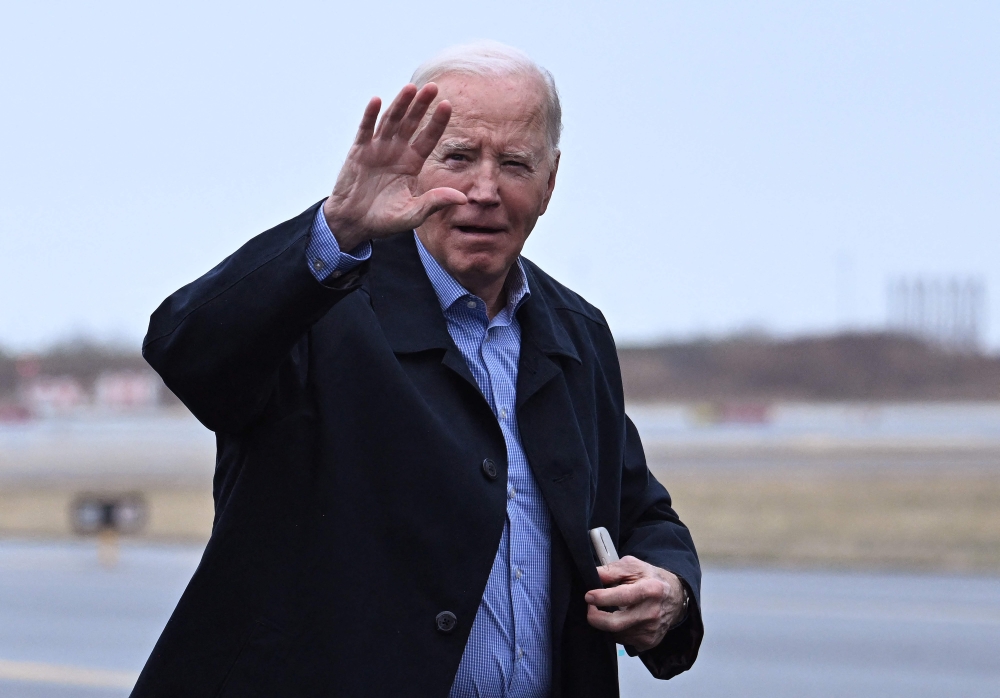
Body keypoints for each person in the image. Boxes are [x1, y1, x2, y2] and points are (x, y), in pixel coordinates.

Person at [133, 41, 702, 698]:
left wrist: (669, 587)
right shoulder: (320, 301)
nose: (484, 191)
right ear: (410, 164)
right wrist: (339, 226)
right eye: (457, 157)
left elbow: (638, 513)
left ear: (550, 182)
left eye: (515, 164)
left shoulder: (575, 331)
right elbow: (187, 350)